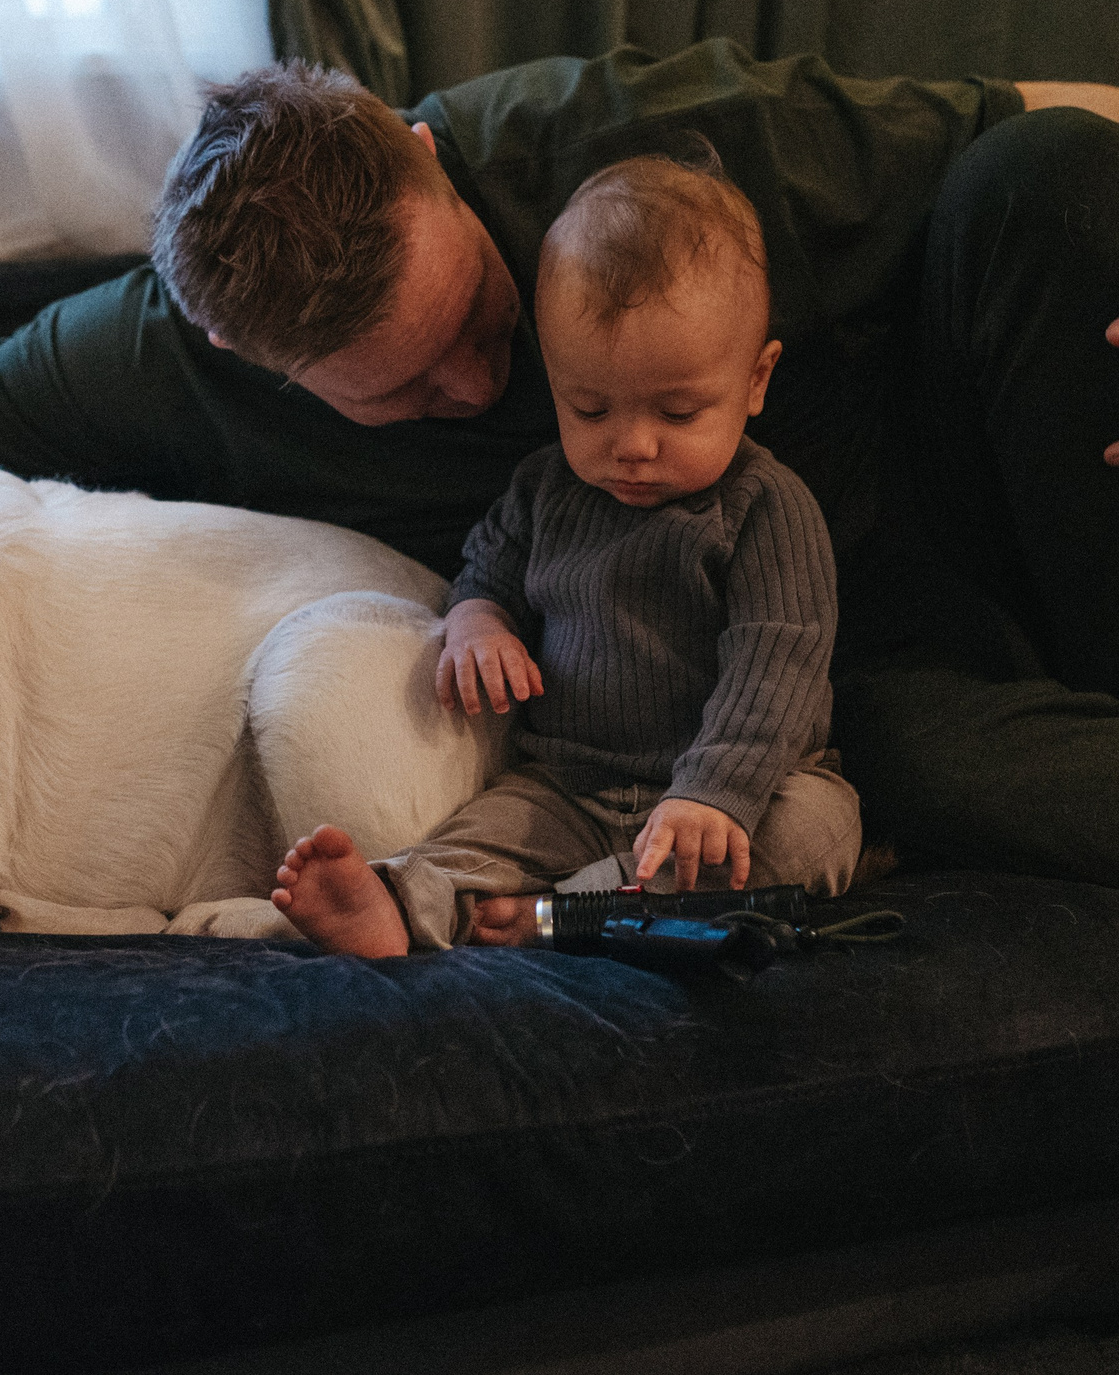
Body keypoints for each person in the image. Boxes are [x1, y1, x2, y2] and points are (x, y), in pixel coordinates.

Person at [0, 39, 1119, 944]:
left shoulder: (611, 141)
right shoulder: (154, 353)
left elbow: (1059, 104)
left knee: (1059, 174)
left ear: (425, 155)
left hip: (968, 491)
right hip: (828, 694)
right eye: (407, 392)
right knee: (935, 778)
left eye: (483, 321)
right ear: (238, 355)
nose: (485, 389)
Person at [270, 151, 858, 957]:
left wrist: (713, 794)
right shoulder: (546, 489)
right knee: (484, 828)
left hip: (739, 787)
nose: (634, 446)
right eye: (590, 407)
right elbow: (486, 571)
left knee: (816, 832)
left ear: (755, 381)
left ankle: (564, 910)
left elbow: (776, 669)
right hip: (569, 787)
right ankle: (405, 899)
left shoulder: (763, 506)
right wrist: (477, 621)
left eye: (679, 411)